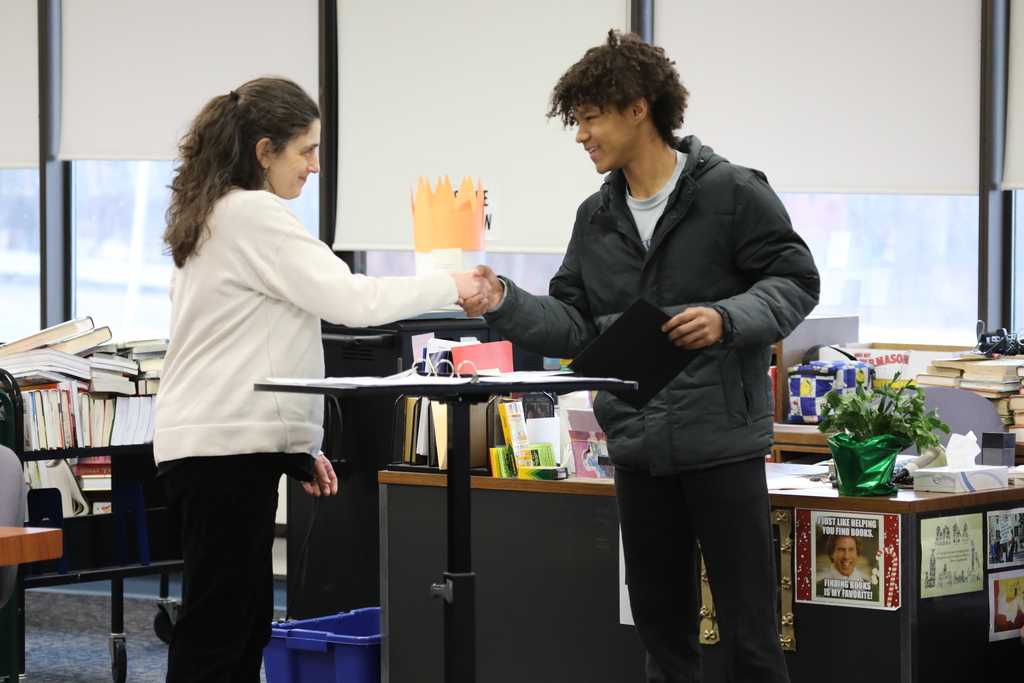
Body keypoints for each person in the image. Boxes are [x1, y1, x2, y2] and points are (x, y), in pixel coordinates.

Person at [462, 31, 819, 682]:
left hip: (722, 445)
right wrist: (503, 302)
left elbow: (795, 281)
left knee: (751, 637)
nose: (581, 136)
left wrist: (726, 317)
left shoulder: (733, 193)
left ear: (638, 108)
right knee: (662, 636)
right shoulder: (594, 218)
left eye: (590, 117)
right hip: (636, 449)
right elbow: (575, 325)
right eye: (577, 121)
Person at [154, 77, 489, 683]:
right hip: (221, 453)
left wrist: (300, 448)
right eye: (304, 151)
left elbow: (250, 343)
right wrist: (453, 285)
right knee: (220, 631)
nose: (313, 166)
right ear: (264, 151)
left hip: (216, 448)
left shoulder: (214, 214)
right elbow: (351, 299)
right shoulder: (253, 213)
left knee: (240, 624)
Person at [815, 535, 878, 601]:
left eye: (851, 549)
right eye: (841, 549)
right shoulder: (818, 588)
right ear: (832, 553)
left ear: (857, 554)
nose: (846, 556)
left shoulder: (873, 590)